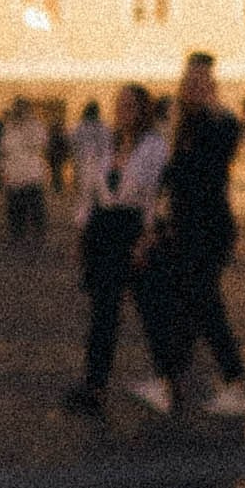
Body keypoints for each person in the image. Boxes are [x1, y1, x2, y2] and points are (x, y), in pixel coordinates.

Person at [130, 50, 245, 417]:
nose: (193, 87)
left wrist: (201, 117)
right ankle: (169, 381)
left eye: (202, 82)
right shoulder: (184, 125)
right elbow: (172, 180)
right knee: (186, 304)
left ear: (212, 86)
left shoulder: (223, 123)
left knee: (204, 305)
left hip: (209, 230)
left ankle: (233, 384)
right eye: (189, 81)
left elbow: (206, 168)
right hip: (184, 228)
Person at [63, 84, 167, 415]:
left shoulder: (155, 147)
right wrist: (81, 233)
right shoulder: (106, 143)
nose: (122, 111)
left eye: (129, 105)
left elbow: (155, 196)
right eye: (119, 104)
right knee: (103, 312)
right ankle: (95, 386)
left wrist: (147, 236)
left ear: (143, 110)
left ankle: (167, 379)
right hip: (103, 230)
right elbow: (88, 191)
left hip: (133, 229)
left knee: (151, 309)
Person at [2, 98, 49, 242]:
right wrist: (4, 169)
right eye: (18, 109)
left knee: (36, 207)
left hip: (32, 173)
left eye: (23, 109)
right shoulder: (9, 127)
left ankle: (38, 234)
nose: (20, 112)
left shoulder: (36, 126)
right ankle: (17, 234)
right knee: (15, 208)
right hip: (14, 174)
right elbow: (5, 148)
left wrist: (28, 129)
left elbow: (41, 143)